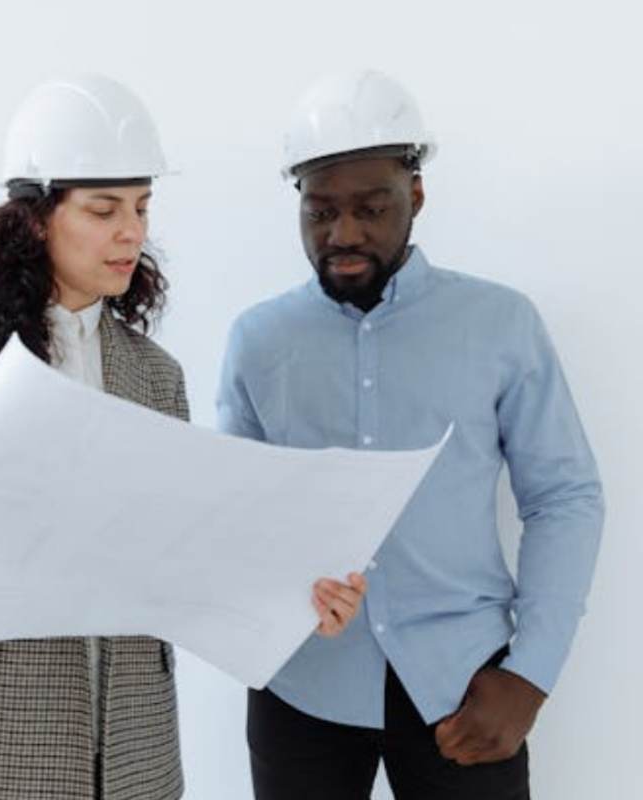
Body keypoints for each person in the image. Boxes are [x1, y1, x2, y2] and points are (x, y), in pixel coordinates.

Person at [0, 74, 367, 800]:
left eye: (143, 207)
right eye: (104, 209)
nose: (133, 231)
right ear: (33, 218)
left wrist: (299, 597)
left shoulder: (156, 375)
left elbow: (186, 555)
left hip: (127, 754)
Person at [217, 69, 605, 799]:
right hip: (300, 687)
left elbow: (565, 497)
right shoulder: (259, 341)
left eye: (371, 207)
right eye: (321, 211)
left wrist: (529, 675)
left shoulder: (501, 324)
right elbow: (238, 517)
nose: (344, 234)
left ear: (415, 197)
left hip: (467, 688)